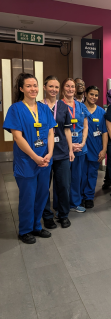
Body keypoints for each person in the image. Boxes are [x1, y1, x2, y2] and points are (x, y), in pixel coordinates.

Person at [3, 73, 56, 244]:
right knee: (28, 196)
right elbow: (18, 138)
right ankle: (25, 230)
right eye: (28, 86)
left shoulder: (44, 108)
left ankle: (36, 226)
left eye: (35, 85)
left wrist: (49, 153)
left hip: (44, 160)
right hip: (27, 162)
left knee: (42, 195)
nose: (33, 89)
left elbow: (50, 132)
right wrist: (34, 157)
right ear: (21, 88)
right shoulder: (15, 109)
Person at [41, 76, 74, 230]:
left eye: (56, 87)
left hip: (61, 152)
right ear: (44, 87)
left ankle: (63, 214)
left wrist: (71, 149)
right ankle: (47, 216)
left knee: (63, 185)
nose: (53, 90)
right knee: (44, 186)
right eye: (50, 86)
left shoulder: (63, 106)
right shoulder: (39, 106)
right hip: (44, 153)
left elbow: (67, 129)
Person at [61, 78, 89, 213]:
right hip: (64, 148)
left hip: (80, 147)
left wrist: (83, 143)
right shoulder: (58, 106)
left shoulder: (81, 106)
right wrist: (69, 145)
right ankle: (62, 205)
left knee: (77, 176)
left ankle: (75, 203)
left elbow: (85, 126)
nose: (71, 89)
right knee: (63, 178)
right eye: (67, 86)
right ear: (62, 89)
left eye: (73, 86)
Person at [81, 86, 108, 208]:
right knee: (80, 174)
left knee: (92, 174)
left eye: (96, 95)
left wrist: (104, 149)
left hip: (95, 148)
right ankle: (79, 196)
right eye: (91, 94)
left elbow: (104, 132)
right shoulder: (79, 109)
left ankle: (89, 197)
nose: (94, 97)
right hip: (80, 148)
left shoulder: (101, 112)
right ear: (86, 94)